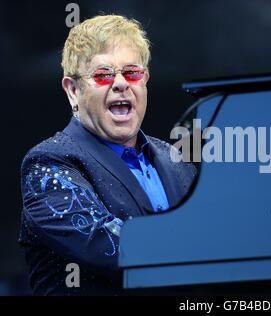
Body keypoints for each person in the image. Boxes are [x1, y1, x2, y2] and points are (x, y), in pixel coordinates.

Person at [19, 15, 196, 295]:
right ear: (73, 91)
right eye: (103, 75)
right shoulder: (48, 163)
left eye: (132, 72)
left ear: (145, 81)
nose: (121, 84)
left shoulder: (178, 162)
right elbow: (110, 246)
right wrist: (210, 244)